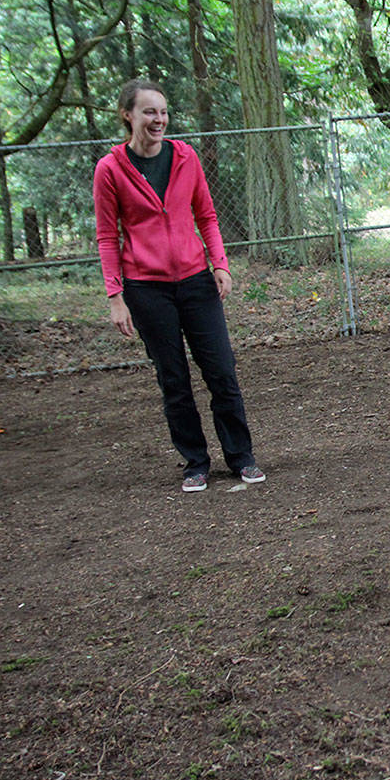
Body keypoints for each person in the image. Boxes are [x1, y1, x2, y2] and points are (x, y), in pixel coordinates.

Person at [94, 79, 265, 492]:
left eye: (163, 111)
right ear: (128, 115)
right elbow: (106, 236)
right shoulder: (110, 169)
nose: (159, 119)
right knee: (173, 379)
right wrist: (116, 297)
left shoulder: (185, 158)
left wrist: (219, 264)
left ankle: (241, 456)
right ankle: (195, 462)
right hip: (146, 289)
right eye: (149, 112)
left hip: (195, 281)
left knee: (222, 370)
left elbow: (206, 215)